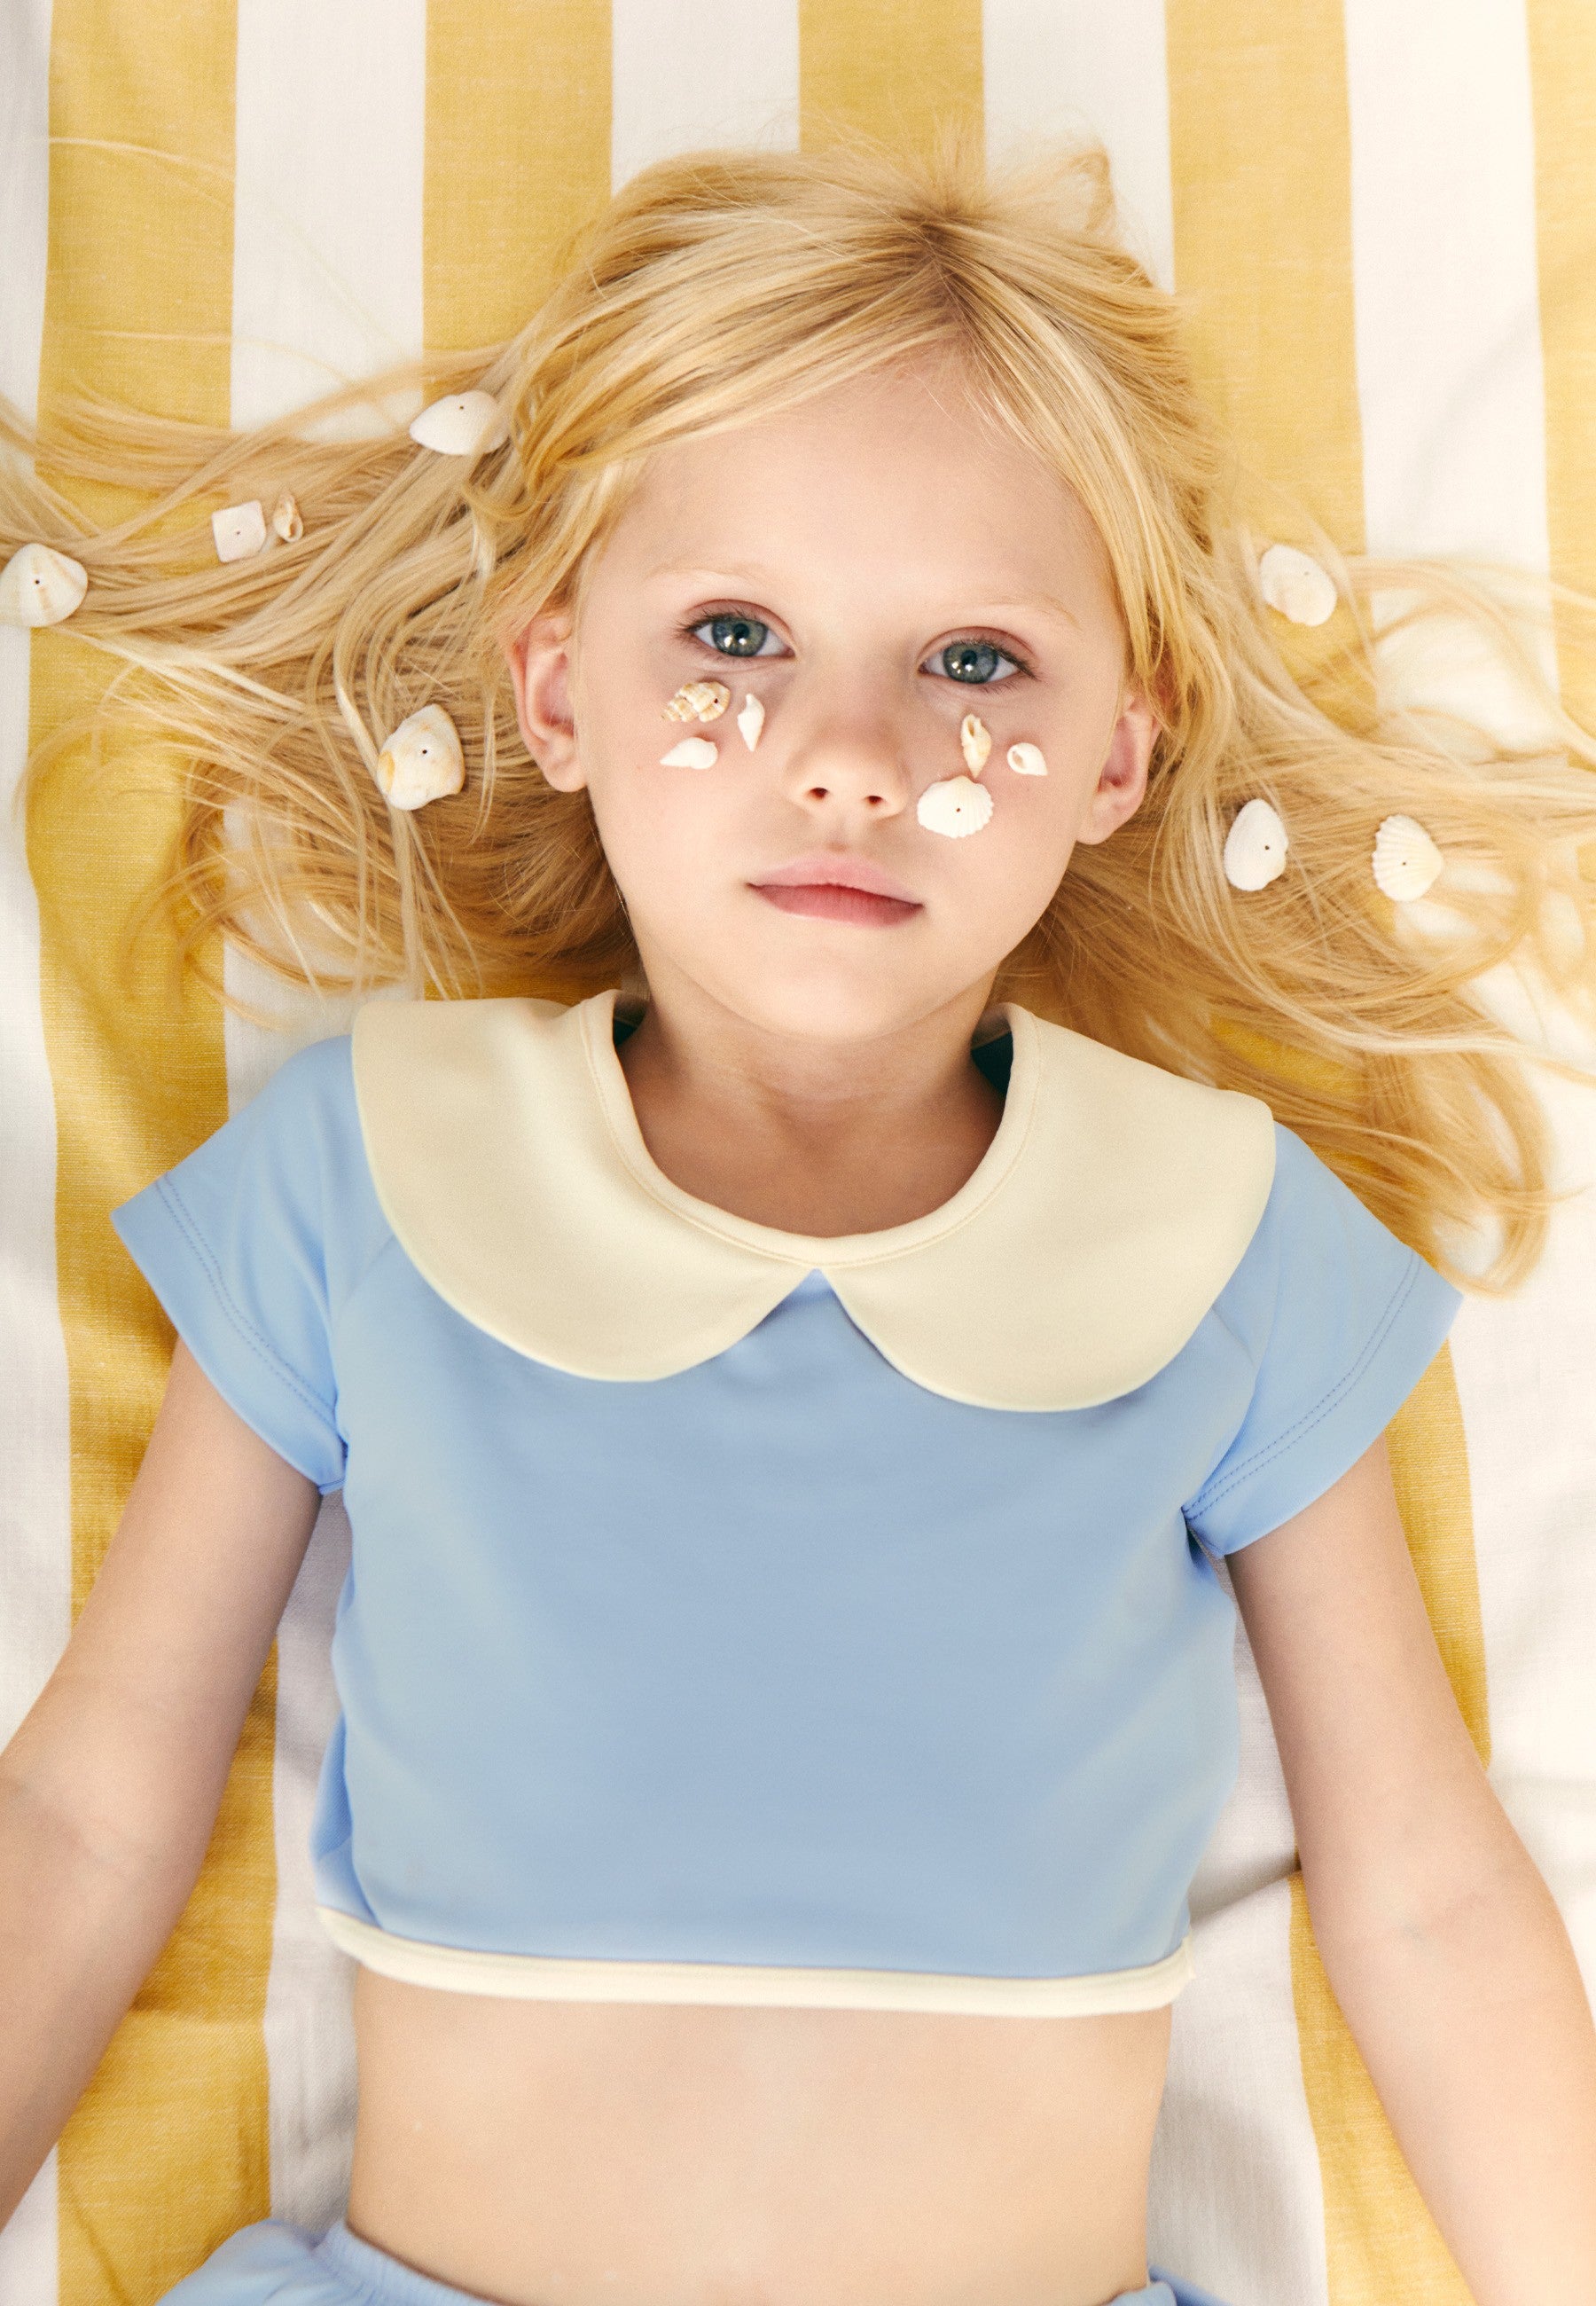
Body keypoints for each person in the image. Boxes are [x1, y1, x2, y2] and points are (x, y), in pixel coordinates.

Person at [2, 135, 1595, 2306]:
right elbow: (90, 1813)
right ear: (557, 689)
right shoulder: (369, 1168)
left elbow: (1426, 1896)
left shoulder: (1219, 1233)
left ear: (1120, 754)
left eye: (977, 662)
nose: (850, 753)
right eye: (736, 634)